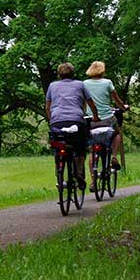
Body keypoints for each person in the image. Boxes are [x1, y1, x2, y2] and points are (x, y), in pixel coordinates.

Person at [46, 62, 100, 190]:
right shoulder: (80, 85)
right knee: (80, 147)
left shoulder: (52, 86)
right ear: (73, 73)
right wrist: (96, 116)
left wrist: (51, 120)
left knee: (58, 146)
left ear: (59, 75)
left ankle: (59, 175)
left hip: (57, 121)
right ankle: (79, 173)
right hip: (76, 120)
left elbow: (48, 106)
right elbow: (90, 102)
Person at [83, 61, 129, 189]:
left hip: (91, 120)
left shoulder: (85, 84)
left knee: (92, 150)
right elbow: (116, 99)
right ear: (102, 71)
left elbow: (83, 102)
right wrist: (123, 108)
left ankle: (93, 181)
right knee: (117, 133)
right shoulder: (107, 83)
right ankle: (114, 156)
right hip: (107, 118)